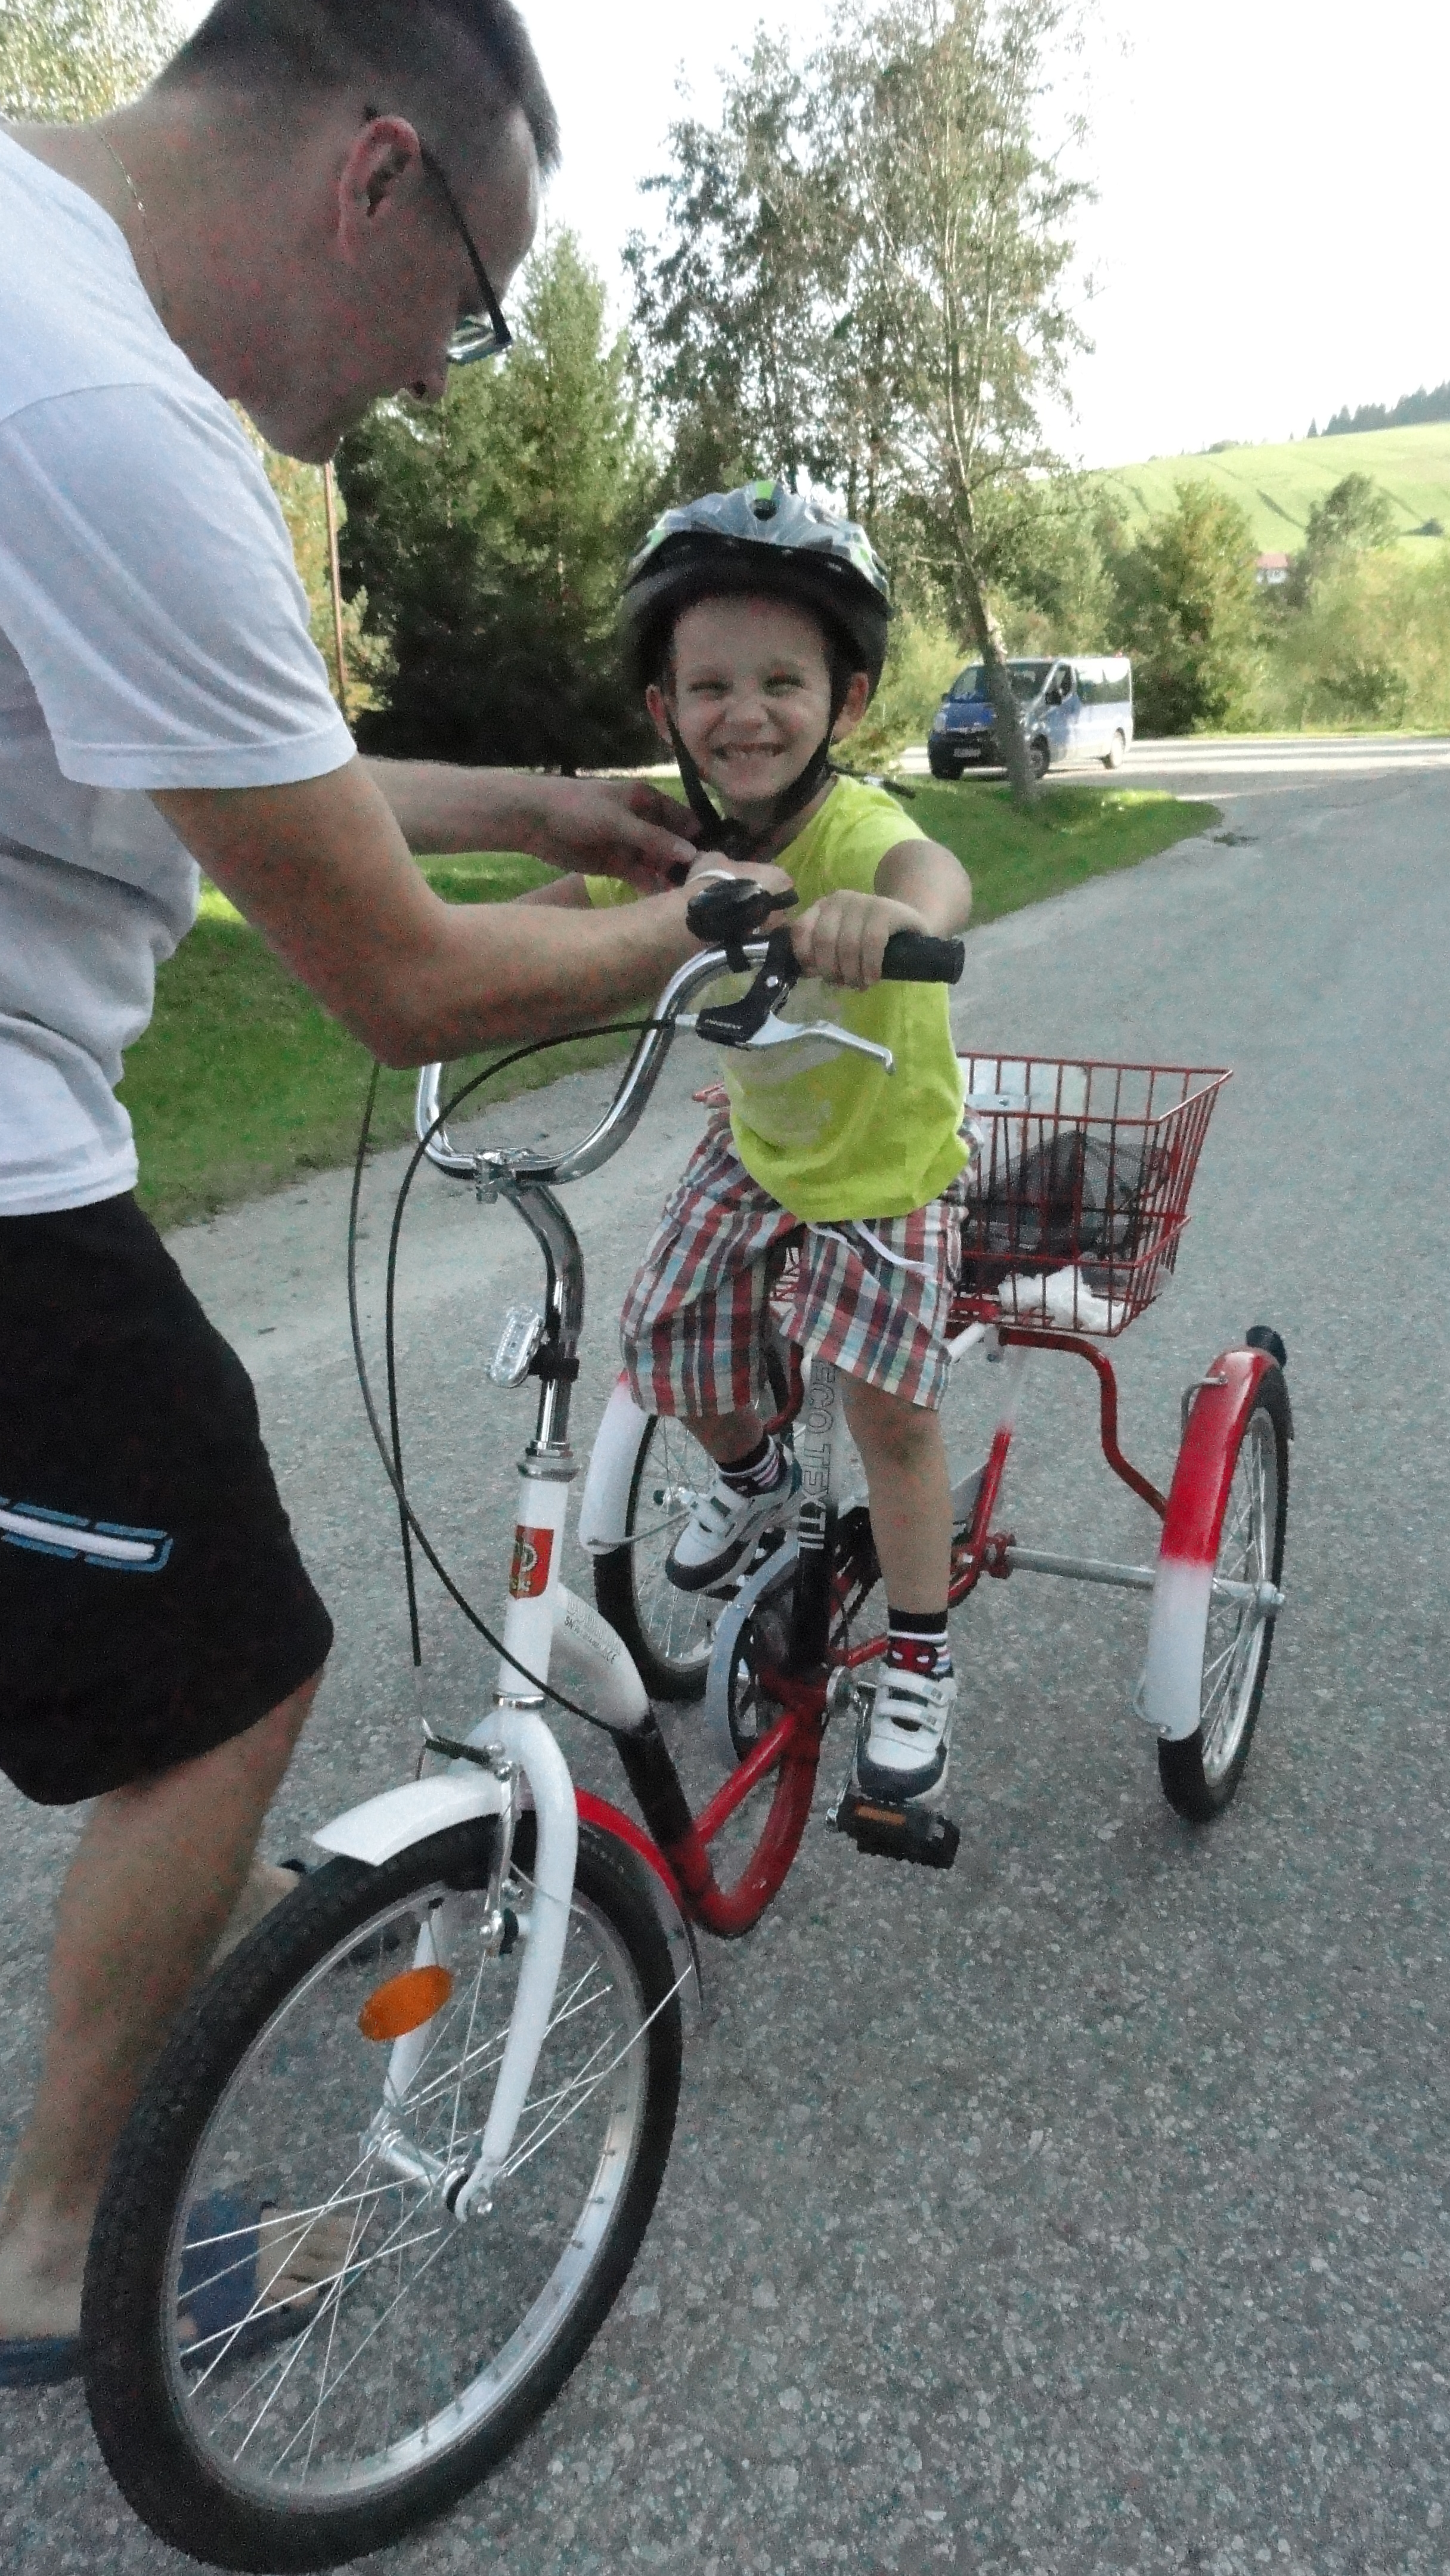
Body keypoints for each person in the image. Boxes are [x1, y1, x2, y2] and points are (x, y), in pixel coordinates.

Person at [0, 0, 718, 2385]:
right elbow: (404, 988)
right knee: (228, 1669)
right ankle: (53, 2255)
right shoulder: (111, 413)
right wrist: (714, 923)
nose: (438, 370)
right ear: (372, 175)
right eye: (469, 303)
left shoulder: (34, 284)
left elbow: (213, 754)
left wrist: (530, 803)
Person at [527, 482, 974, 1813]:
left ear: (845, 701)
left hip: (884, 1163)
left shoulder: (857, 829)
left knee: (890, 1416)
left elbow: (934, 873)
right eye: (711, 685)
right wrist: (442, 947)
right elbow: (555, 914)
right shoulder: (675, 850)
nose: (747, 712)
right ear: (664, 709)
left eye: (784, 682)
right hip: (761, 1148)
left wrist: (889, 922)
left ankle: (920, 1657)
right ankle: (755, 1474)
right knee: (663, 1336)